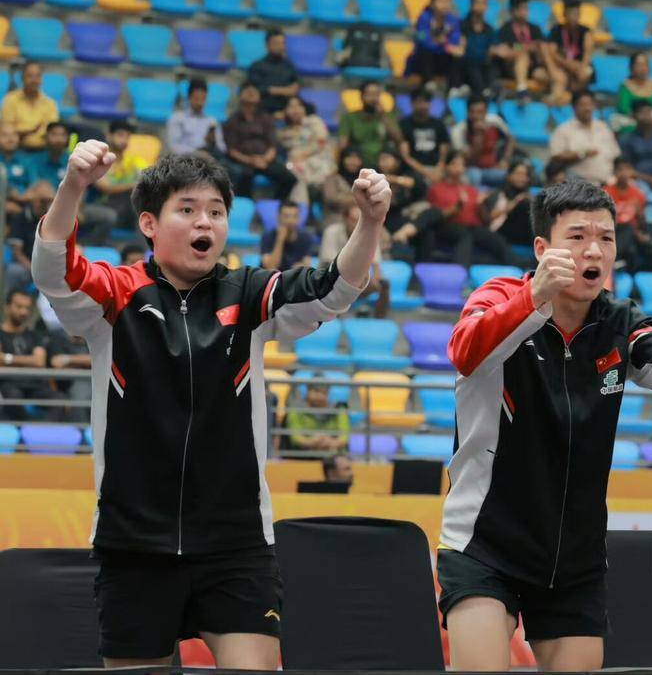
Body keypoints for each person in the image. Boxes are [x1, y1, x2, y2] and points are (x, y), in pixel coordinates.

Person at [32, 145, 389, 668]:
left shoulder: (250, 295)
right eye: (188, 209)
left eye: (216, 212)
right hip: (134, 544)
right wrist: (73, 187)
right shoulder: (115, 296)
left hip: (237, 545)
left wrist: (371, 221)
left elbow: (333, 288)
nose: (206, 222)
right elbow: (54, 271)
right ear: (149, 224)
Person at [439, 180, 652, 671]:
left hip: (574, 556)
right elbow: (466, 352)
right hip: (485, 542)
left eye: (606, 238)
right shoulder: (499, 296)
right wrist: (534, 297)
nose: (594, 250)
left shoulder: (619, 319)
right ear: (542, 248)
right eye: (577, 236)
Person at [420, 151, 518, 268]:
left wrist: (481, 205)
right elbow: (436, 217)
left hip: (473, 228)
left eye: (462, 164)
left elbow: (485, 219)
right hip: (448, 227)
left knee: (496, 239)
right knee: (464, 235)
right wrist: (458, 206)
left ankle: (518, 271)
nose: (459, 167)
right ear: (446, 166)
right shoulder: (437, 189)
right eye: (454, 164)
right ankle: (460, 272)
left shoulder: (470, 190)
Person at [221, 82, 297, 200]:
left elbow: (272, 145)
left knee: (290, 179)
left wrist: (264, 159)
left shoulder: (266, 118)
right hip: (244, 162)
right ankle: (247, 206)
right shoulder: (232, 121)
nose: (251, 92)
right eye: (247, 90)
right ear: (240, 96)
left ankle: (276, 204)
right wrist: (251, 160)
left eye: (254, 90)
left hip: (266, 160)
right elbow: (231, 151)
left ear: (259, 97)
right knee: (243, 176)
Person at [320, 204, 389, 318]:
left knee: (384, 284)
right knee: (338, 283)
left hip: (356, 278)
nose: (357, 224)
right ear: (345, 219)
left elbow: (376, 264)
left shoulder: (370, 232)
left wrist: (375, 278)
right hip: (331, 276)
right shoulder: (331, 232)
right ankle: (333, 316)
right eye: (353, 220)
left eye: (360, 220)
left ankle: (380, 319)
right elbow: (329, 263)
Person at [0, 289, 58, 420]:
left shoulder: (34, 335)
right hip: (8, 385)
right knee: (12, 397)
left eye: (27, 308)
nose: (23, 312)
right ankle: (30, 427)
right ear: (7, 307)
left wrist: (7, 358)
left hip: (34, 385)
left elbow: (39, 361)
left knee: (58, 400)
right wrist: (29, 360)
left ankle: (42, 429)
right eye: (19, 306)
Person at [548, 92, 621, 186]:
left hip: (606, 184)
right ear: (573, 107)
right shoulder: (563, 130)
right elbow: (556, 157)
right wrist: (582, 154)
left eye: (590, 104)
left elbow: (615, 154)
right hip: (578, 186)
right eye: (582, 105)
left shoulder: (603, 127)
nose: (587, 108)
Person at [90, 120, 149, 233]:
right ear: (109, 135)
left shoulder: (134, 161)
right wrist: (133, 185)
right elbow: (106, 188)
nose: (124, 140)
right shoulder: (99, 160)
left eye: (127, 137)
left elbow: (148, 180)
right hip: (104, 206)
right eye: (120, 135)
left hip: (128, 208)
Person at [277, 95, 334, 205]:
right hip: (296, 164)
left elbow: (321, 142)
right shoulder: (283, 131)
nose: (295, 110)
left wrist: (302, 154)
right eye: (290, 107)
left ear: (304, 108)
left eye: (299, 106)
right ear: (285, 111)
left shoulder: (314, 121)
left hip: (318, 160)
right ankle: (302, 208)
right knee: (292, 171)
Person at [408, 0, 465, 94]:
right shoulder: (424, 18)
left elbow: (455, 40)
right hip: (424, 61)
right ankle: (428, 82)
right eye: (440, 1)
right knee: (425, 52)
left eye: (447, 1)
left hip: (443, 57)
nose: (444, 4)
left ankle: (454, 87)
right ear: (432, 3)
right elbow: (422, 39)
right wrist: (438, 43)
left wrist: (448, 46)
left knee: (458, 55)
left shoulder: (453, 20)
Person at [494, 0, 550, 99]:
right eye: (521, 8)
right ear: (513, 11)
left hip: (533, 67)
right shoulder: (505, 29)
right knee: (522, 56)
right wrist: (527, 47)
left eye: (526, 8)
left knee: (543, 75)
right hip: (512, 67)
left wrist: (524, 47)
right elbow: (509, 48)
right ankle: (521, 90)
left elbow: (539, 45)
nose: (524, 12)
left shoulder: (534, 29)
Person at [452, 95, 515, 189]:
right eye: (472, 112)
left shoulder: (495, 121)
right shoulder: (459, 130)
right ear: (468, 112)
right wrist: (478, 135)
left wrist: (505, 160)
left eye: (480, 112)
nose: (476, 116)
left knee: (513, 177)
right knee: (474, 176)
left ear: (486, 112)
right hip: (471, 169)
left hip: (493, 169)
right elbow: (469, 159)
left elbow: (511, 138)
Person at [604, 157, 652, 271]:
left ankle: (619, 265)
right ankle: (614, 262)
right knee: (628, 234)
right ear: (614, 172)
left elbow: (642, 223)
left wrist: (640, 214)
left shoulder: (638, 194)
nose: (624, 173)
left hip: (633, 235)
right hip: (613, 232)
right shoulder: (605, 193)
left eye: (627, 169)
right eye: (620, 169)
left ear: (632, 172)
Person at [338, 81, 399, 168]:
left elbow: (399, 140)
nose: (373, 99)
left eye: (376, 94)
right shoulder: (349, 117)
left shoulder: (387, 116)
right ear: (361, 96)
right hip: (358, 163)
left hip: (382, 163)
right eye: (369, 94)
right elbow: (342, 144)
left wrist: (383, 117)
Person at [396, 89, 451, 185]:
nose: (422, 106)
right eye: (419, 102)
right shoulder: (404, 124)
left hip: (436, 167)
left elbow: (444, 150)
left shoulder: (439, 124)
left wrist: (440, 168)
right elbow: (406, 156)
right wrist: (426, 172)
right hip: (414, 169)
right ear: (412, 104)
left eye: (426, 102)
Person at [546, 0, 595, 103]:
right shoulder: (556, 30)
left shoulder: (585, 31)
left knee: (586, 72)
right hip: (561, 66)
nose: (575, 17)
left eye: (577, 14)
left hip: (578, 67)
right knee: (548, 75)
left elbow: (587, 54)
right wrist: (568, 64)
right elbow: (552, 53)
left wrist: (581, 67)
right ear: (564, 14)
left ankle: (574, 97)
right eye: (572, 14)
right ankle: (558, 98)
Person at [2, 61, 59, 150]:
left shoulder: (50, 103)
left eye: (38, 76)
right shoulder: (11, 99)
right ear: (22, 78)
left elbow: (52, 132)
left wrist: (30, 132)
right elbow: (7, 132)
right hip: (17, 150)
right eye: (30, 76)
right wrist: (31, 131)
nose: (34, 80)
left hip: (44, 151)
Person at [284, 381, 349, 454]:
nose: (320, 396)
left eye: (324, 393)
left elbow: (344, 437)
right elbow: (295, 438)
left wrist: (331, 443)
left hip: (332, 452)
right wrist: (312, 442)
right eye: (316, 391)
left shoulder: (339, 408)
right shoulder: (296, 409)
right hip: (303, 453)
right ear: (308, 391)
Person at [246, 29, 300, 115]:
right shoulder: (257, 66)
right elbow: (254, 89)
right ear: (267, 45)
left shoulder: (289, 65)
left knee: (309, 108)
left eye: (283, 43)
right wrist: (280, 91)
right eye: (276, 43)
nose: (281, 47)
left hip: (286, 106)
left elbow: (294, 87)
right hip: (265, 105)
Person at [165, 78, 223, 157]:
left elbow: (222, 148)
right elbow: (173, 146)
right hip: (183, 159)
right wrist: (196, 153)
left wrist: (213, 142)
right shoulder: (177, 118)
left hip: (208, 158)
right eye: (196, 99)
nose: (200, 103)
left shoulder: (212, 121)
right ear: (189, 97)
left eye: (203, 99)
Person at [483, 162, 535, 247]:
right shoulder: (499, 193)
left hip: (522, 232)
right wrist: (515, 203)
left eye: (524, 175)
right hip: (501, 231)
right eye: (518, 173)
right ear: (509, 175)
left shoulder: (527, 195)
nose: (521, 177)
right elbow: (489, 217)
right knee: (524, 205)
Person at [616, 52, 652, 126]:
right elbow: (623, 108)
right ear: (631, 67)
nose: (643, 68)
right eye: (639, 65)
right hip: (634, 120)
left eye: (645, 64)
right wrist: (641, 118)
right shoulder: (626, 85)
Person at [462, 0, 499, 97]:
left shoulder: (489, 29)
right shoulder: (462, 26)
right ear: (471, 5)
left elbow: (500, 46)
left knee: (493, 66)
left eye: (484, 3)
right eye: (478, 2)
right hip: (467, 65)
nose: (481, 6)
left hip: (484, 65)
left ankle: (489, 91)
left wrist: (494, 50)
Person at [260, 200, 316, 271]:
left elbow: (306, 267)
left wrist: (298, 269)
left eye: (294, 216)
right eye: (286, 216)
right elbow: (271, 267)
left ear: (299, 218)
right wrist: (280, 240)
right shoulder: (268, 236)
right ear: (278, 217)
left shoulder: (306, 237)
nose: (290, 220)